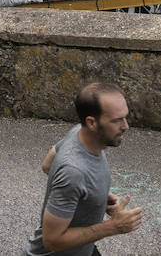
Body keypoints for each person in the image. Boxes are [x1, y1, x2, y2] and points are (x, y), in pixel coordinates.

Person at [25, 82, 142, 256]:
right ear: (92, 123)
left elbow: (47, 165)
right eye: (117, 120)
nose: (126, 126)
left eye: (125, 117)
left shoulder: (78, 133)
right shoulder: (73, 172)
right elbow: (51, 240)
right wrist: (113, 226)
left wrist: (94, 196)